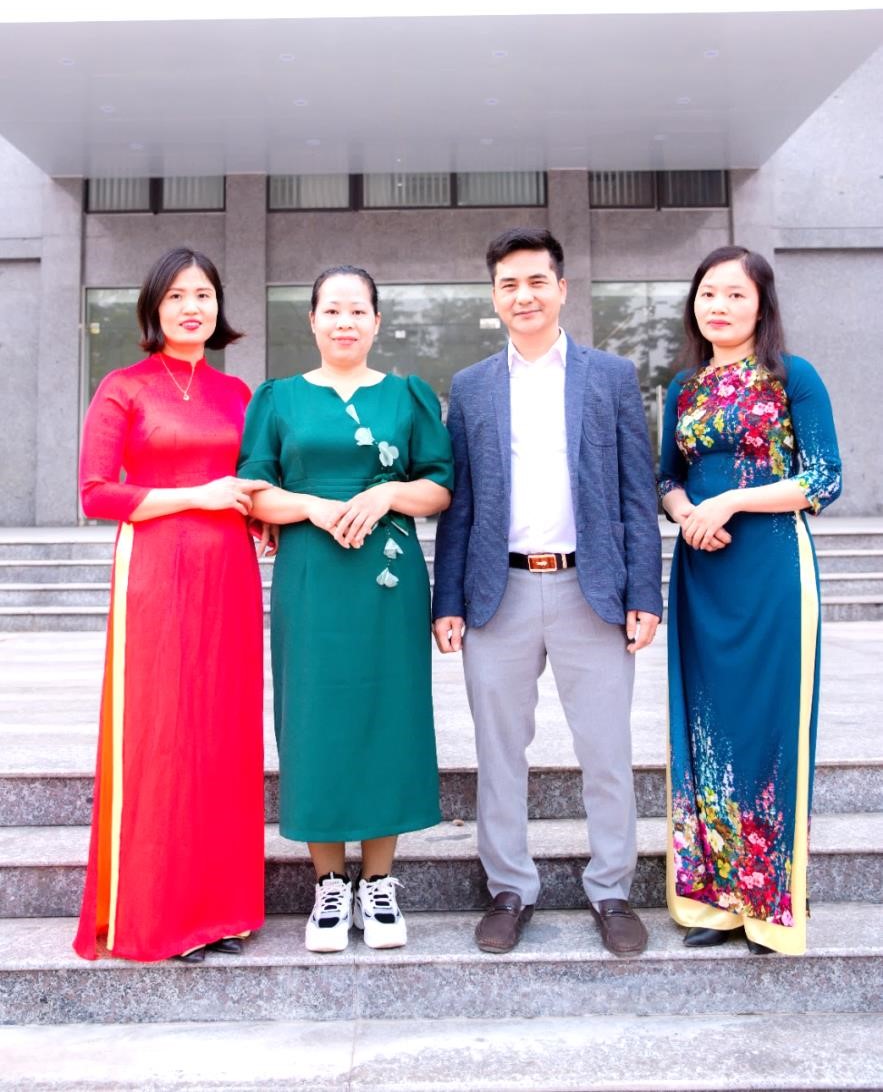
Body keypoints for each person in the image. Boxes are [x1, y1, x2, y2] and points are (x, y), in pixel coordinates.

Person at [432, 227, 662, 958]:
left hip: (589, 589)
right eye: (508, 284)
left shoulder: (610, 376)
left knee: (606, 749)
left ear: (561, 289)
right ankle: (509, 889)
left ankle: (612, 890)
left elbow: (636, 493)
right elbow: (460, 504)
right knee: (499, 751)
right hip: (496, 589)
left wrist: (644, 592)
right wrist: (447, 600)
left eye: (536, 281)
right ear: (493, 297)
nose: (523, 295)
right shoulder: (471, 386)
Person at [238, 265, 453, 953]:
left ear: (376, 321)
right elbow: (254, 491)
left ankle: (379, 882)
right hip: (311, 577)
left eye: (357, 310)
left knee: (388, 713)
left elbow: (439, 487)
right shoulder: (277, 399)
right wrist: (312, 506)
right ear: (311, 320)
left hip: (387, 580)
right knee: (314, 716)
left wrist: (386, 493)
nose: (344, 322)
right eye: (331, 310)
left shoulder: (407, 396)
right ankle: (329, 883)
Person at [74, 247, 269, 963]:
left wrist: (262, 516)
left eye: (204, 295)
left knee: (223, 733)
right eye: (178, 296)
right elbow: (96, 493)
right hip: (155, 571)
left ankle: (223, 911)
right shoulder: (123, 387)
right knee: (162, 733)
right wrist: (198, 495)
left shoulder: (238, 392)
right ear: (155, 307)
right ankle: (160, 911)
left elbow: (250, 481)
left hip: (229, 573)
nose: (193, 307)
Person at [658, 245, 841, 957]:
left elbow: (822, 478)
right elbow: (665, 478)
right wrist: (686, 514)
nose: (719, 306)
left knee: (769, 726)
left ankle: (769, 903)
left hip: (770, 569)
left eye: (735, 294)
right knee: (705, 730)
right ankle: (715, 901)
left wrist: (729, 501)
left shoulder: (793, 376)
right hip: (701, 570)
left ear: (761, 304)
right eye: (708, 293)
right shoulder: (683, 387)